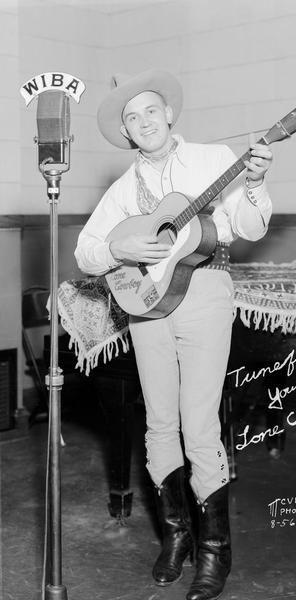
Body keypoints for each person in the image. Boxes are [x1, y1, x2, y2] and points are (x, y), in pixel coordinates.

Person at [75, 69, 273, 600]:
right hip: (147, 305)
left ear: (169, 115)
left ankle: (215, 554)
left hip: (205, 293)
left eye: (150, 111)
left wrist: (253, 185)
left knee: (199, 425)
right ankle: (177, 537)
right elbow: (86, 250)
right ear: (126, 132)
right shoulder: (122, 189)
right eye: (131, 118)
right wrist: (120, 250)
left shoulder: (213, 161)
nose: (143, 122)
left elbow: (251, 228)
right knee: (160, 422)